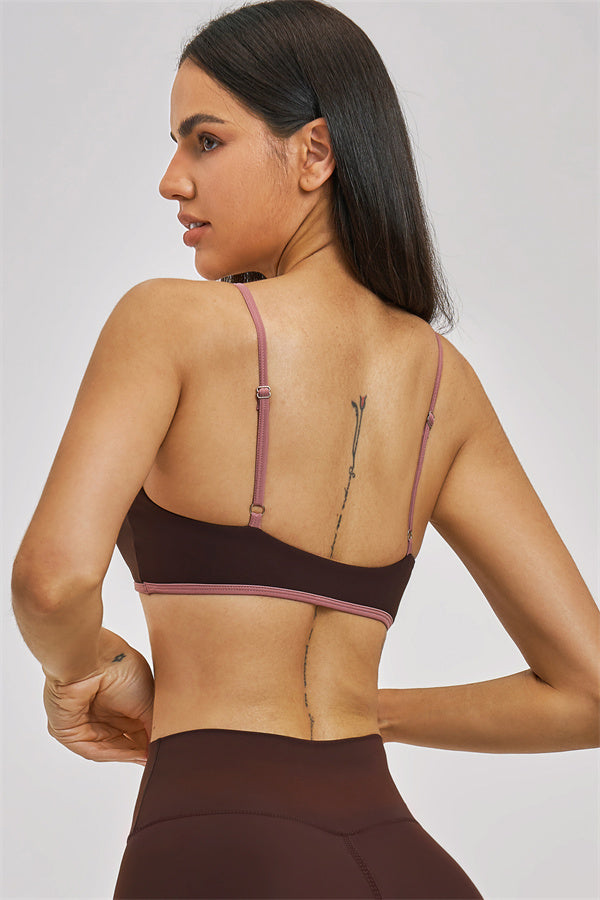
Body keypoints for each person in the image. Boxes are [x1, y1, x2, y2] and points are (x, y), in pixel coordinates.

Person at [10, 1, 599, 898]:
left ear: (315, 152)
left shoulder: (166, 323)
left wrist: (88, 670)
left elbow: (51, 583)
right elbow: (589, 692)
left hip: (222, 854)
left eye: (205, 140)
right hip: (403, 859)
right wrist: (358, 712)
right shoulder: (445, 384)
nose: (171, 180)